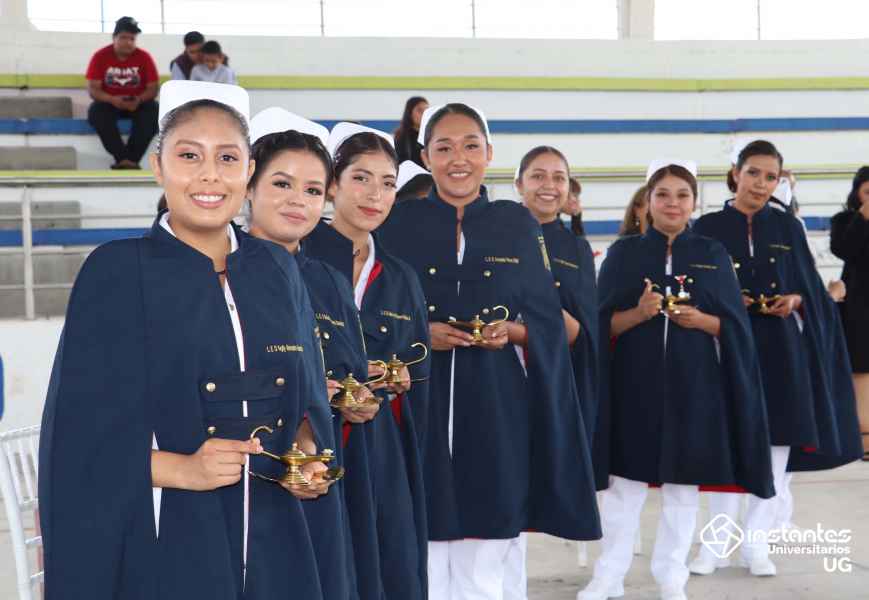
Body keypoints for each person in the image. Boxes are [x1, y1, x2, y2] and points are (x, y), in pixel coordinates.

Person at [39, 81, 335, 599]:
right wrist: (184, 469)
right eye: (189, 155)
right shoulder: (117, 272)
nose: (209, 175)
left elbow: (307, 394)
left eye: (228, 158)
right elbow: (78, 437)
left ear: (248, 171)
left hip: (274, 526)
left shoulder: (276, 269)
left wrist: (306, 455)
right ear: (158, 166)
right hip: (169, 526)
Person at [377, 103, 600, 600]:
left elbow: (551, 323)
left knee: (485, 556)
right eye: (444, 147)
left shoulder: (515, 223)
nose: (458, 158)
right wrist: (422, 334)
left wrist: (511, 333)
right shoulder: (397, 223)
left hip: (498, 407)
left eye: (470, 146)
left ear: (489, 153)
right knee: (422, 556)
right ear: (425, 156)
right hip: (418, 403)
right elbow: (372, 312)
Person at [580, 160, 774, 600]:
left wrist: (703, 320)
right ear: (647, 202)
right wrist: (638, 314)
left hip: (695, 391)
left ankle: (672, 577)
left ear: (694, 202)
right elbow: (599, 326)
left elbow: (736, 327)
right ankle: (608, 576)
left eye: (682, 195)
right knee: (623, 491)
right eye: (663, 195)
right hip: (634, 391)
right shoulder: (623, 254)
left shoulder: (712, 254)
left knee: (682, 493)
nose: (672, 203)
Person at [689, 140, 862, 577]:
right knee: (728, 445)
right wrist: (730, 301)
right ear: (736, 174)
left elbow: (810, 287)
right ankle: (716, 546)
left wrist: (796, 299)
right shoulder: (706, 227)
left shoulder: (787, 227)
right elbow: (692, 288)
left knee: (776, 448)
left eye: (771, 177)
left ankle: (756, 545)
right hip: (726, 348)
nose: (761, 184)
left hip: (782, 350)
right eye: (753, 173)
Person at [247, 107, 379, 599]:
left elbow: (350, 368)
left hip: (319, 468)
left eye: (311, 190)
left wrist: (351, 397)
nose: (297, 201)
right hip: (247, 474)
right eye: (281, 184)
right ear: (248, 185)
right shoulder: (222, 273)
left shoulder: (328, 280)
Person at [305, 122, 432, 600]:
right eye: (360, 178)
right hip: (312, 443)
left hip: (381, 447)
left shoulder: (400, 277)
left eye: (388, 183)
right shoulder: (298, 261)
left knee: (383, 561)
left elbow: (419, 363)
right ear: (332, 184)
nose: (375, 194)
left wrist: (399, 378)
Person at [830, 166, 869, 460]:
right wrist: (864, 216)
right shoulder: (845, 220)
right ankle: (864, 438)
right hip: (859, 306)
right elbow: (844, 249)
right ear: (857, 193)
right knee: (862, 369)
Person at [85, 16, 159, 169]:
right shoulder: (100, 56)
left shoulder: (144, 57)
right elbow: (93, 89)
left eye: (132, 38)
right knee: (96, 111)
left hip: (137, 103)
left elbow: (152, 88)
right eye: (124, 37)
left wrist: (139, 100)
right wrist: (112, 99)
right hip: (110, 103)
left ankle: (130, 160)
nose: (128, 42)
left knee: (154, 110)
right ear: (114, 38)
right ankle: (123, 158)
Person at [393, 96, 429, 167]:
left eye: (427, 111)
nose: (424, 114)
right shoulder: (401, 137)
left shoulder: (432, 135)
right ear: (409, 113)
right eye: (420, 110)